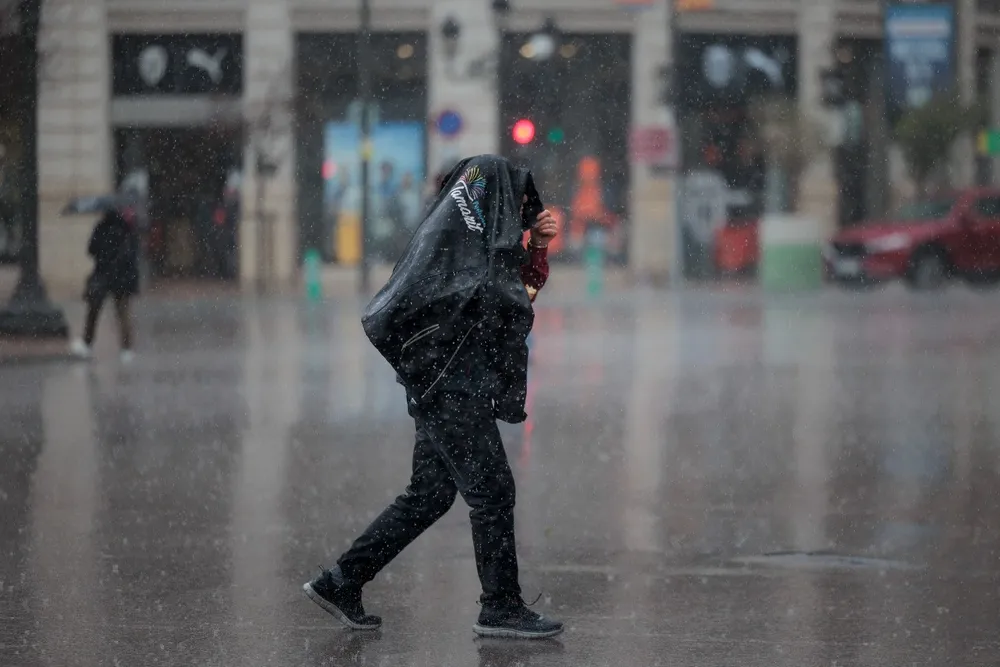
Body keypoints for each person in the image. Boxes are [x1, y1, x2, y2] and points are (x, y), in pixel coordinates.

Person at [303, 155, 562, 639]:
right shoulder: (457, 250)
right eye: (517, 202)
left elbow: (515, 295)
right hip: (451, 389)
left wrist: (537, 247)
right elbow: (508, 301)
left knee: (430, 495)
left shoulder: (456, 243)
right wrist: (533, 249)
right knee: (493, 491)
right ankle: (500, 607)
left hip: (442, 386)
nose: (523, 212)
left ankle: (341, 581)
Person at [70, 205, 140, 363]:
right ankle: (126, 349)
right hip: (122, 277)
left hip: (103, 275)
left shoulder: (101, 228)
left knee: (93, 311)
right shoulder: (127, 229)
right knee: (123, 314)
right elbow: (133, 255)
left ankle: (87, 343)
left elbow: (91, 249)